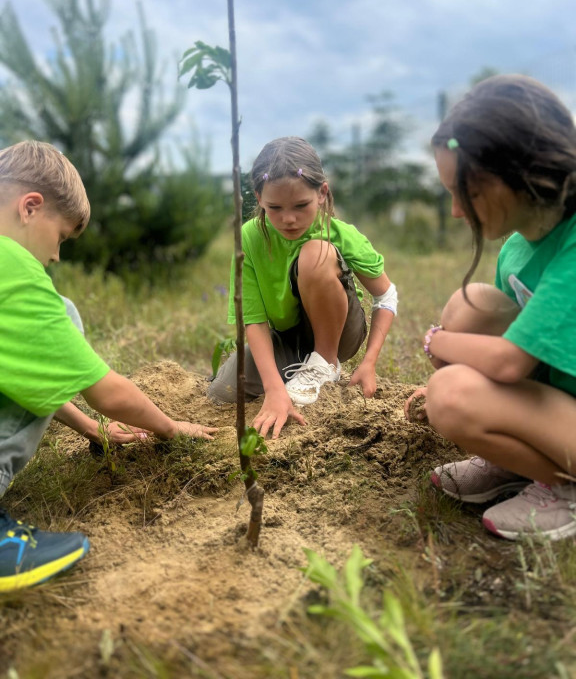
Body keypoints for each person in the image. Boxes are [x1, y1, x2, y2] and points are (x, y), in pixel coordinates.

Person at [0, 141, 218, 592]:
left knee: (62, 309)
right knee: (64, 313)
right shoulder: (16, 271)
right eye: (59, 237)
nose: (57, 255)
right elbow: (109, 393)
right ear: (30, 207)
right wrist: (171, 428)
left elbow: (19, 366)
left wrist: (89, 428)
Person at [405, 75, 576, 541]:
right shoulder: (516, 251)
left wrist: (437, 343)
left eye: (468, 192)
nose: (458, 211)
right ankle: (514, 460)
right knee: (472, 306)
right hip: (559, 400)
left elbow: (508, 361)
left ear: (520, 170)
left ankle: (566, 489)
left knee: (453, 395)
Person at [209, 136, 397, 439]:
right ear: (258, 197)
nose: (289, 219)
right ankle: (299, 371)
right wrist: (273, 391)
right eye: (275, 207)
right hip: (289, 338)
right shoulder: (249, 238)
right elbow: (254, 320)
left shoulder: (340, 234)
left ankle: (325, 363)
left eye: (301, 205)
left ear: (322, 193)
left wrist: (370, 361)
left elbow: (386, 294)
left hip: (341, 333)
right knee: (224, 389)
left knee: (314, 254)